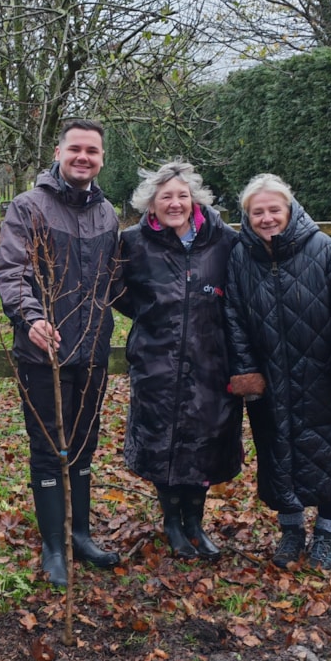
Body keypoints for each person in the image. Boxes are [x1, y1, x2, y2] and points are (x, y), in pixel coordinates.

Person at [225, 173, 331, 572]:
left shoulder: (323, 249)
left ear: (289, 210)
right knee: (277, 453)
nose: (267, 218)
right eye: (257, 212)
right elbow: (234, 319)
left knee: (330, 453)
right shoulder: (241, 257)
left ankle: (328, 533)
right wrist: (247, 372)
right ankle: (291, 530)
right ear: (247, 216)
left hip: (321, 373)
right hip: (271, 377)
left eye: (274, 209)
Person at [0, 119, 121, 586]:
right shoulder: (30, 207)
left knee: (85, 442)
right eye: (76, 149)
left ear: (101, 158)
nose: (83, 157)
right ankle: (54, 544)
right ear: (59, 152)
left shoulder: (108, 213)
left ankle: (81, 534)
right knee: (50, 447)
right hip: (43, 352)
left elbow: (116, 277)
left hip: (93, 351)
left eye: (92, 150)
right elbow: (10, 271)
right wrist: (31, 318)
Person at [119, 161, 242, 559]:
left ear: (194, 200)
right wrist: (151, 316)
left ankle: (195, 523)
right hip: (157, 361)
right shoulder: (133, 243)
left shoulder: (222, 240)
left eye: (182, 196)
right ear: (151, 204)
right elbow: (117, 291)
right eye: (165, 196)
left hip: (212, 360)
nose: (175, 203)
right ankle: (172, 523)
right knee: (162, 443)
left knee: (204, 444)